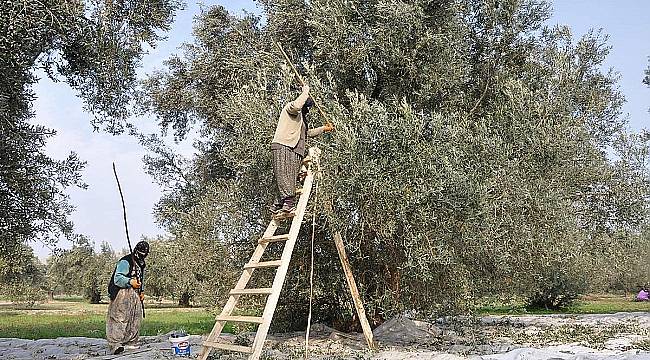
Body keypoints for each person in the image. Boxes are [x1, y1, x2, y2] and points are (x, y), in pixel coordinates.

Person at [270, 84, 333, 213]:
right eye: (307, 106)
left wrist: (324, 129)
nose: (307, 110)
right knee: (282, 174)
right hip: (284, 145)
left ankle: (282, 204)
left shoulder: (302, 120)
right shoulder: (290, 109)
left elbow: (307, 133)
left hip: (297, 150)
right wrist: (306, 92)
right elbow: (297, 106)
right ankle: (286, 202)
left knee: (291, 177)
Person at [106, 241, 149, 354]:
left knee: (135, 318)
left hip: (135, 294)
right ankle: (115, 344)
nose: (143, 256)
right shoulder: (126, 261)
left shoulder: (140, 263)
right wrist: (130, 281)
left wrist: (141, 291)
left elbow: (140, 278)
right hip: (122, 293)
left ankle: (131, 342)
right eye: (141, 254)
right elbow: (118, 278)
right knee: (120, 318)